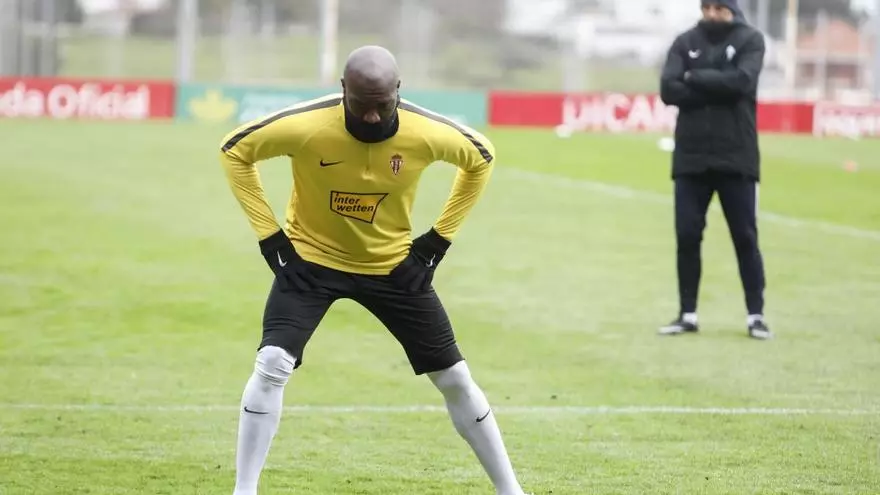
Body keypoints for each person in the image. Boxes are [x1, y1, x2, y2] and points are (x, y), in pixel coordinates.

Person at [219, 45, 529, 495]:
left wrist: (437, 242)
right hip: (311, 264)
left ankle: (510, 490)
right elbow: (234, 151)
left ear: (398, 91)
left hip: (392, 268)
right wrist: (272, 240)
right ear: (343, 89)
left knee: (455, 377)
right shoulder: (306, 125)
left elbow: (482, 157)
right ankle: (244, 490)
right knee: (271, 364)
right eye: (361, 104)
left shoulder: (426, 132)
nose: (370, 116)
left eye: (382, 105)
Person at [658, 0, 772, 340]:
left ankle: (756, 316)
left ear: (731, 10)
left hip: (736, 157)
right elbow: (668, 89)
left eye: (718, 8)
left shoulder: (751, 40)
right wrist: (718, 84)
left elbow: (742, 82)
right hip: (691, 158)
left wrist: (694, 78)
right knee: (687, 235)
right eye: (706, 7)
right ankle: (687, 314)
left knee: (745, 237)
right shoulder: (685, 41)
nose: (711, 14)